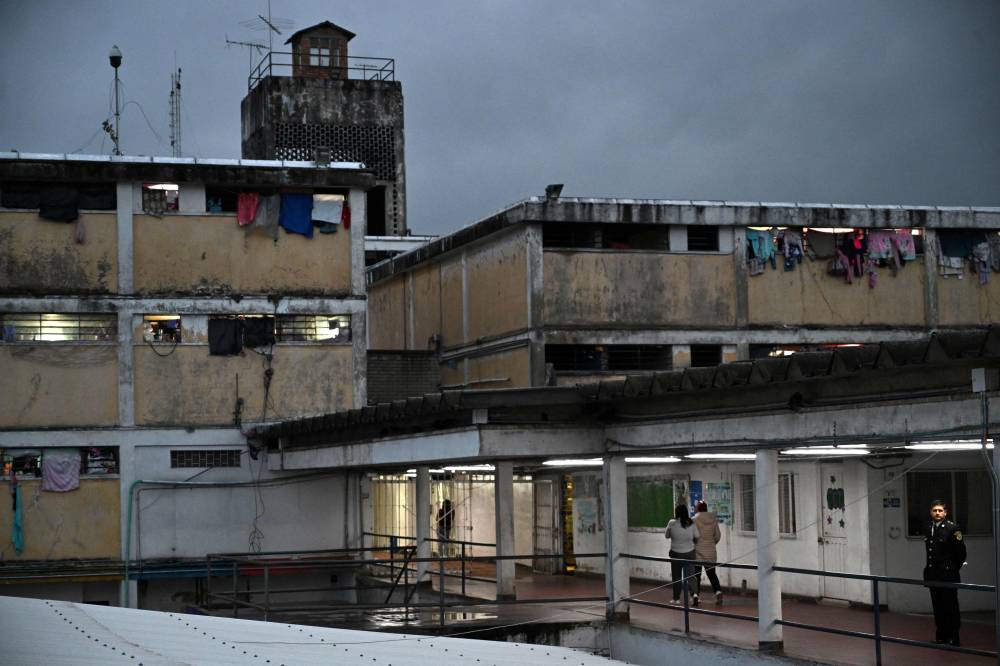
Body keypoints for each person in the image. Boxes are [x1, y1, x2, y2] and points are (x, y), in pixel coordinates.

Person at [924, 499, 967, 646]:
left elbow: (961, 554)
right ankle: (941, 636)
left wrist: (952, 569)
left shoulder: (952, 528)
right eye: (935, 510)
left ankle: (954, 637)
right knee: (938, 607)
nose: (937, 513)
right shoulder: (929, 527)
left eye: (940, 510)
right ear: (931, 512)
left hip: (948, 575)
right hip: (933, 575)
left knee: (950, 607)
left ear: (945, 512)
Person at [665, 504, 700, 605]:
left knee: (676, 577)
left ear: (676, 512)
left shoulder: (672, 523)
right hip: (690, 553)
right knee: (691, 575)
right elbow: (697, 537)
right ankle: (694, 595)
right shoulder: (691, 522)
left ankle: (676, 599)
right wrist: (692, 543)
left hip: (676, 554)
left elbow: (666, 536)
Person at [693, 500, 724, 604]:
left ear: (698, 508)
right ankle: (718, 591)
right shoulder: (713, 519)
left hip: (697, 552)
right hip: (710, 552)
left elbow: (693, 536)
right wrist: (711, 543)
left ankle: (695, 595)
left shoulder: (694, 520)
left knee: (696, 575)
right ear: (706, 508)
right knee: (712, 574)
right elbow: (718, 536)